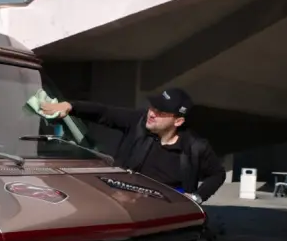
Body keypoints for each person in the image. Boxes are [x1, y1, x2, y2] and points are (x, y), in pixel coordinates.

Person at [40, 85, 226, 204]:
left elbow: (217, 174)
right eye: (153, 107)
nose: (151, 113)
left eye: (161, 112)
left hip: (165, 216)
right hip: (124, 205)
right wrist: (70, 106)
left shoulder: (195, 147)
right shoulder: (138, 122)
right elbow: (104, 112)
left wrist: (196, 197)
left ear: (178, 121)